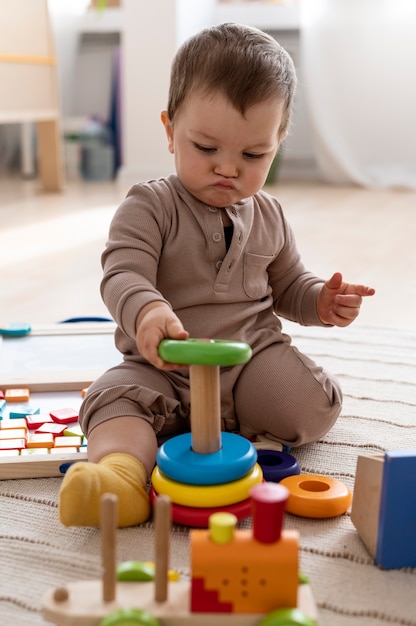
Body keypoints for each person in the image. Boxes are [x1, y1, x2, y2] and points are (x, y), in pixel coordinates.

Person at [59, 23, 375, 528]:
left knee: (311, 405)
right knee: (112, 398)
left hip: (248, 360)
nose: (229, 169)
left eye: (253, 155)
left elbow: (289, 283)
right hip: (162, 367)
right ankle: (118, 477)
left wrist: (319, 301)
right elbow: (122, 272)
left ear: (277, 144)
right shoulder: (150, 205)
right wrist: (148, 310)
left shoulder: (269, 214)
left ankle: (235, 420)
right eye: (207, 148)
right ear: (169, 130)